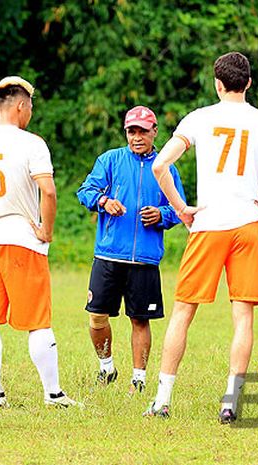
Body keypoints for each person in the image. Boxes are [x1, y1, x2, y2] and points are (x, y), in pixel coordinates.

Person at [145, 51, 258, 422]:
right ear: (249, 83)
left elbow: (160, 165)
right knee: (243, 318)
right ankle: (230, 402)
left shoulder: (199, 118)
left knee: (182, 313)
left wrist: (181, 208)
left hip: (208, 222)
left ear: (217, 84)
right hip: (247, 224)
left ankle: (161, 400)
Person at [0, 76, 78, 408]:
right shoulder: (32, 143)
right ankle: (53, 393)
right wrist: (47, 231)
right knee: (37, 320)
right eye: (30, 107)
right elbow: (49, 191)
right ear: (21, 106)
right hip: (21, 240)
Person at [77, 106, 185, 393]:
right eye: (131, 131)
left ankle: (138, 379)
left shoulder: (166, 167)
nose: (136, 137)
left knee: (140, 319)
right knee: (97, 316)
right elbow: (85, 191)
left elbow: (180, 209)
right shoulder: (110, 160)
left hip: (145, 260)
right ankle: (106, 367)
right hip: (108, 255)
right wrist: (103, 201)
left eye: (142, 131)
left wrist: (162, 214)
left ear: (154, 132)